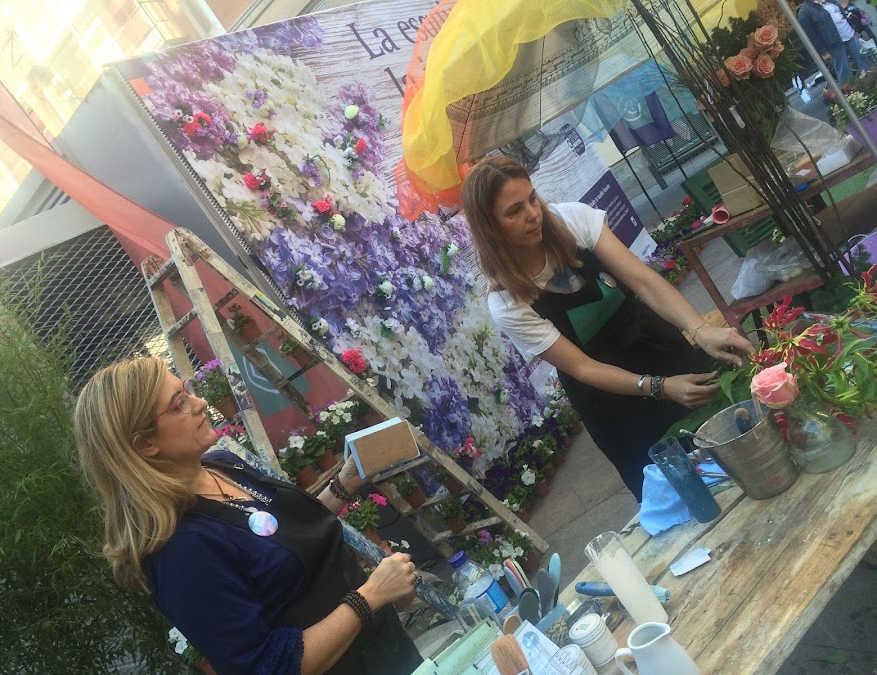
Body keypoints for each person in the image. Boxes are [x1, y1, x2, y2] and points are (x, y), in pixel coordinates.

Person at [74, 357, 423, 675]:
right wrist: (371, 596)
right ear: (145, 445)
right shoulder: (179, 550)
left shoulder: (221, 466)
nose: (200, 403)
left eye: (187, 390)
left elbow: (285, 538)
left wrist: (344, 484)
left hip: (389, 653)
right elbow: (265, 667)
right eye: (179, 403)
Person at [461, 157, 754, 499]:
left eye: (532, 198)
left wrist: (700, 329)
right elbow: (583, 367)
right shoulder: (507, 302)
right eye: (514, 211)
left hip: (656, 345)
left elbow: (643, 281)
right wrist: (659, 387)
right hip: (612, 400)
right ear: (490, 228)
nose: (533, 214)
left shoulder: (572, 220)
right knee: (680, 492)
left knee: (733, 442)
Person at [799, 0, 871, 83]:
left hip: (849, 34)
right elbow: (811, 35)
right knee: (843, 71)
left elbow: (843, 14)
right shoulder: (804, 13)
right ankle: (850, 90)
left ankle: (870, 83)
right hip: (833, 44)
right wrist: (823, 52)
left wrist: (854, 30)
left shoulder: (829, 1)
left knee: (863, 59)